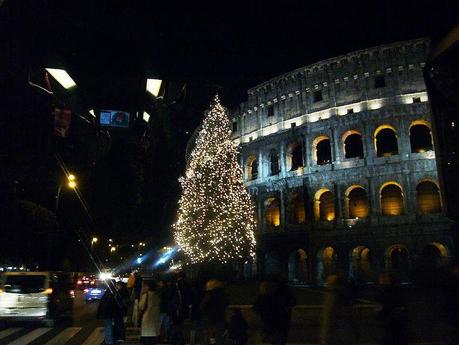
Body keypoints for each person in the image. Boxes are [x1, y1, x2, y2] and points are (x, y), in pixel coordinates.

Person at [201, 279, 228, 345]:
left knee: (211, 333)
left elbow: (203, 305)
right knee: (219, 334)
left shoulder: (209, 294)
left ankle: (212, 342)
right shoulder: (222, 294)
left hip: (211, 316)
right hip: (220, 316)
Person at [139, 280, 161, 345]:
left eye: (144, 286)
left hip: (147, 319)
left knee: (146, 340)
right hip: (155, 319)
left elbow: (141, 306)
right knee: (153, 340)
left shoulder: (145, 295)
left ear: (148, 286)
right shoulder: (157, 294)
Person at [96, 280, 118, 345]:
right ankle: (110, 340)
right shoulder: (113, 291)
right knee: (110, 326)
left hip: (107, 313)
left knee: (108, 327)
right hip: (111, 313)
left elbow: (105, 303)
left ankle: (109, 341)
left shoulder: (109, 292)